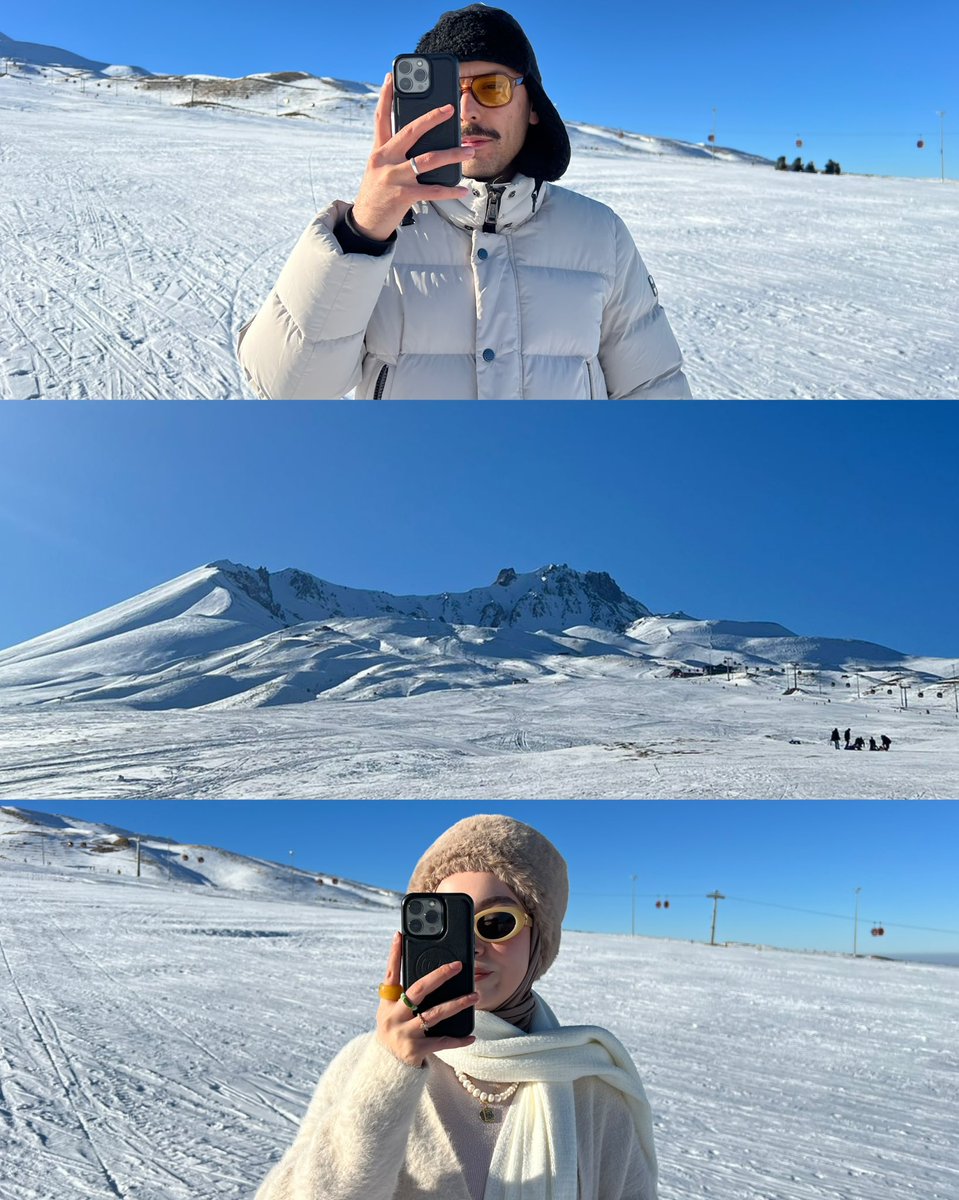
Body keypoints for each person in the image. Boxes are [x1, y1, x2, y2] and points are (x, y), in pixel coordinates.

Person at [237, 5, 691, 400]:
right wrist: (363, 233)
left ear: (533, 105)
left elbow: (653, 390)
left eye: (492, 88)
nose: (468, 110)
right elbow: (288, 389)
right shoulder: (377, 229)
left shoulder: (600, 233)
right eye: (450, 91)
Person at [254, 814, 657, 1200]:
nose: (472, 946)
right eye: (446, 924)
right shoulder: (364, 1064)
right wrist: (388, 1072)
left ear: (539, 939)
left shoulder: (592, 1089)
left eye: (496, 922)